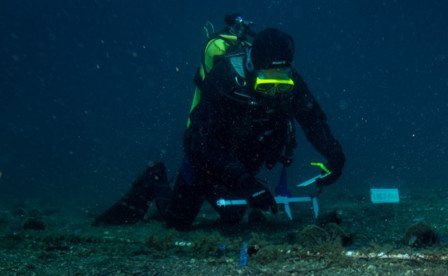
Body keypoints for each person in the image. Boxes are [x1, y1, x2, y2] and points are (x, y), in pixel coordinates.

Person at [93, 17, 345, 230]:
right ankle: (154, 180)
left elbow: (313, 122)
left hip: (245, 162)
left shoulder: (292, 82)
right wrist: (247, 184)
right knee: (177, 222)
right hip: (207, 162)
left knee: (233, 216)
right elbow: (201, 143)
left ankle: (234, 193)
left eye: (283, 81)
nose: (275, 91)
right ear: (252, 68)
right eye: (267, 82)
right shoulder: (225, 79)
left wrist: (334, 154)